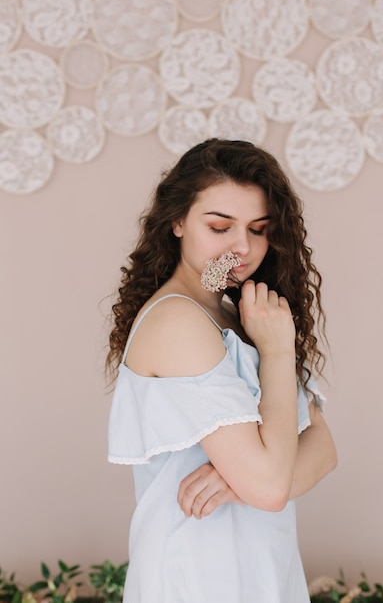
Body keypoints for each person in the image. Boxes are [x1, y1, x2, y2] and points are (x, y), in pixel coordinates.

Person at [106, 138, 337, 603]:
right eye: (219, 226)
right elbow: (272, 487)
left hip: (263, 564)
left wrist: (239, 484)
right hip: (199, 574)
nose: (242, 246)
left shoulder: (233, 311)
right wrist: (274, 353)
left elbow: (324, 449)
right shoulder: (178, 320)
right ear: (177, 221)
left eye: (258, 228)